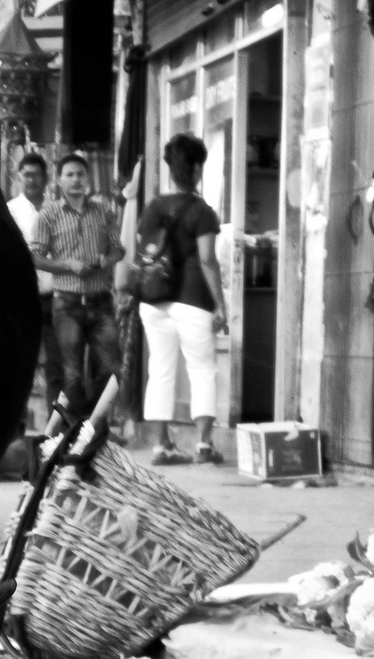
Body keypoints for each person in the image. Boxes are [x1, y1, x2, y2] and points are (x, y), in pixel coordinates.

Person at [135, 132, 229, 466]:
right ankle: (203, 444)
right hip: (193, 299)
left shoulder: (153, 208)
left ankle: (162, 445)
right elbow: (207, 258)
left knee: (160, 370)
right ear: (197, 167)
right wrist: (220, 302)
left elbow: (143, 252)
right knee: (202, 369)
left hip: (155, 300)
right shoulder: (202, 211)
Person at [32, 153, 125, 417]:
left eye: (80, 174)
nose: (75, 180)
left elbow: (119, 249)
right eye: (69, 174)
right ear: (59, 180)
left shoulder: (104, 212)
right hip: (67, 303)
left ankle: (94, 425)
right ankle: (73, 430)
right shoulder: (48, 214)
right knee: (70, 374)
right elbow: (35, 257)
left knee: (110, 369)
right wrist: (68, 266)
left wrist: (107, 260)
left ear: (88, 179)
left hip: (101, 301)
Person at [7, 152, 65, 413]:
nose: (31, 180)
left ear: (46, 179)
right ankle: (16, 424)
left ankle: (55, 429)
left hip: (56, 295)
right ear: (19, 178)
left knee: (56, 363)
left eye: (36, 175)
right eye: (26, 175)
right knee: (21, 363)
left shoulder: (58, 209)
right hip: (22, 297)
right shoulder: (10, 210)